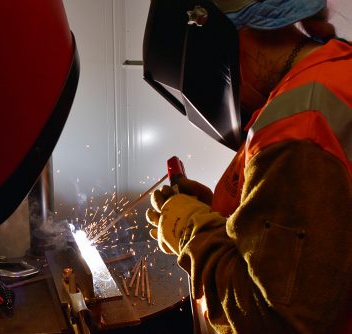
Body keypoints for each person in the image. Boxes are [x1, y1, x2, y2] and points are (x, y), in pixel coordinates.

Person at [145, 0, 351, 333]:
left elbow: (270, 317)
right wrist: (219, 214)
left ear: (223, 38)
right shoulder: (332, 71)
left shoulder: (299, 127)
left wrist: (191, 230)